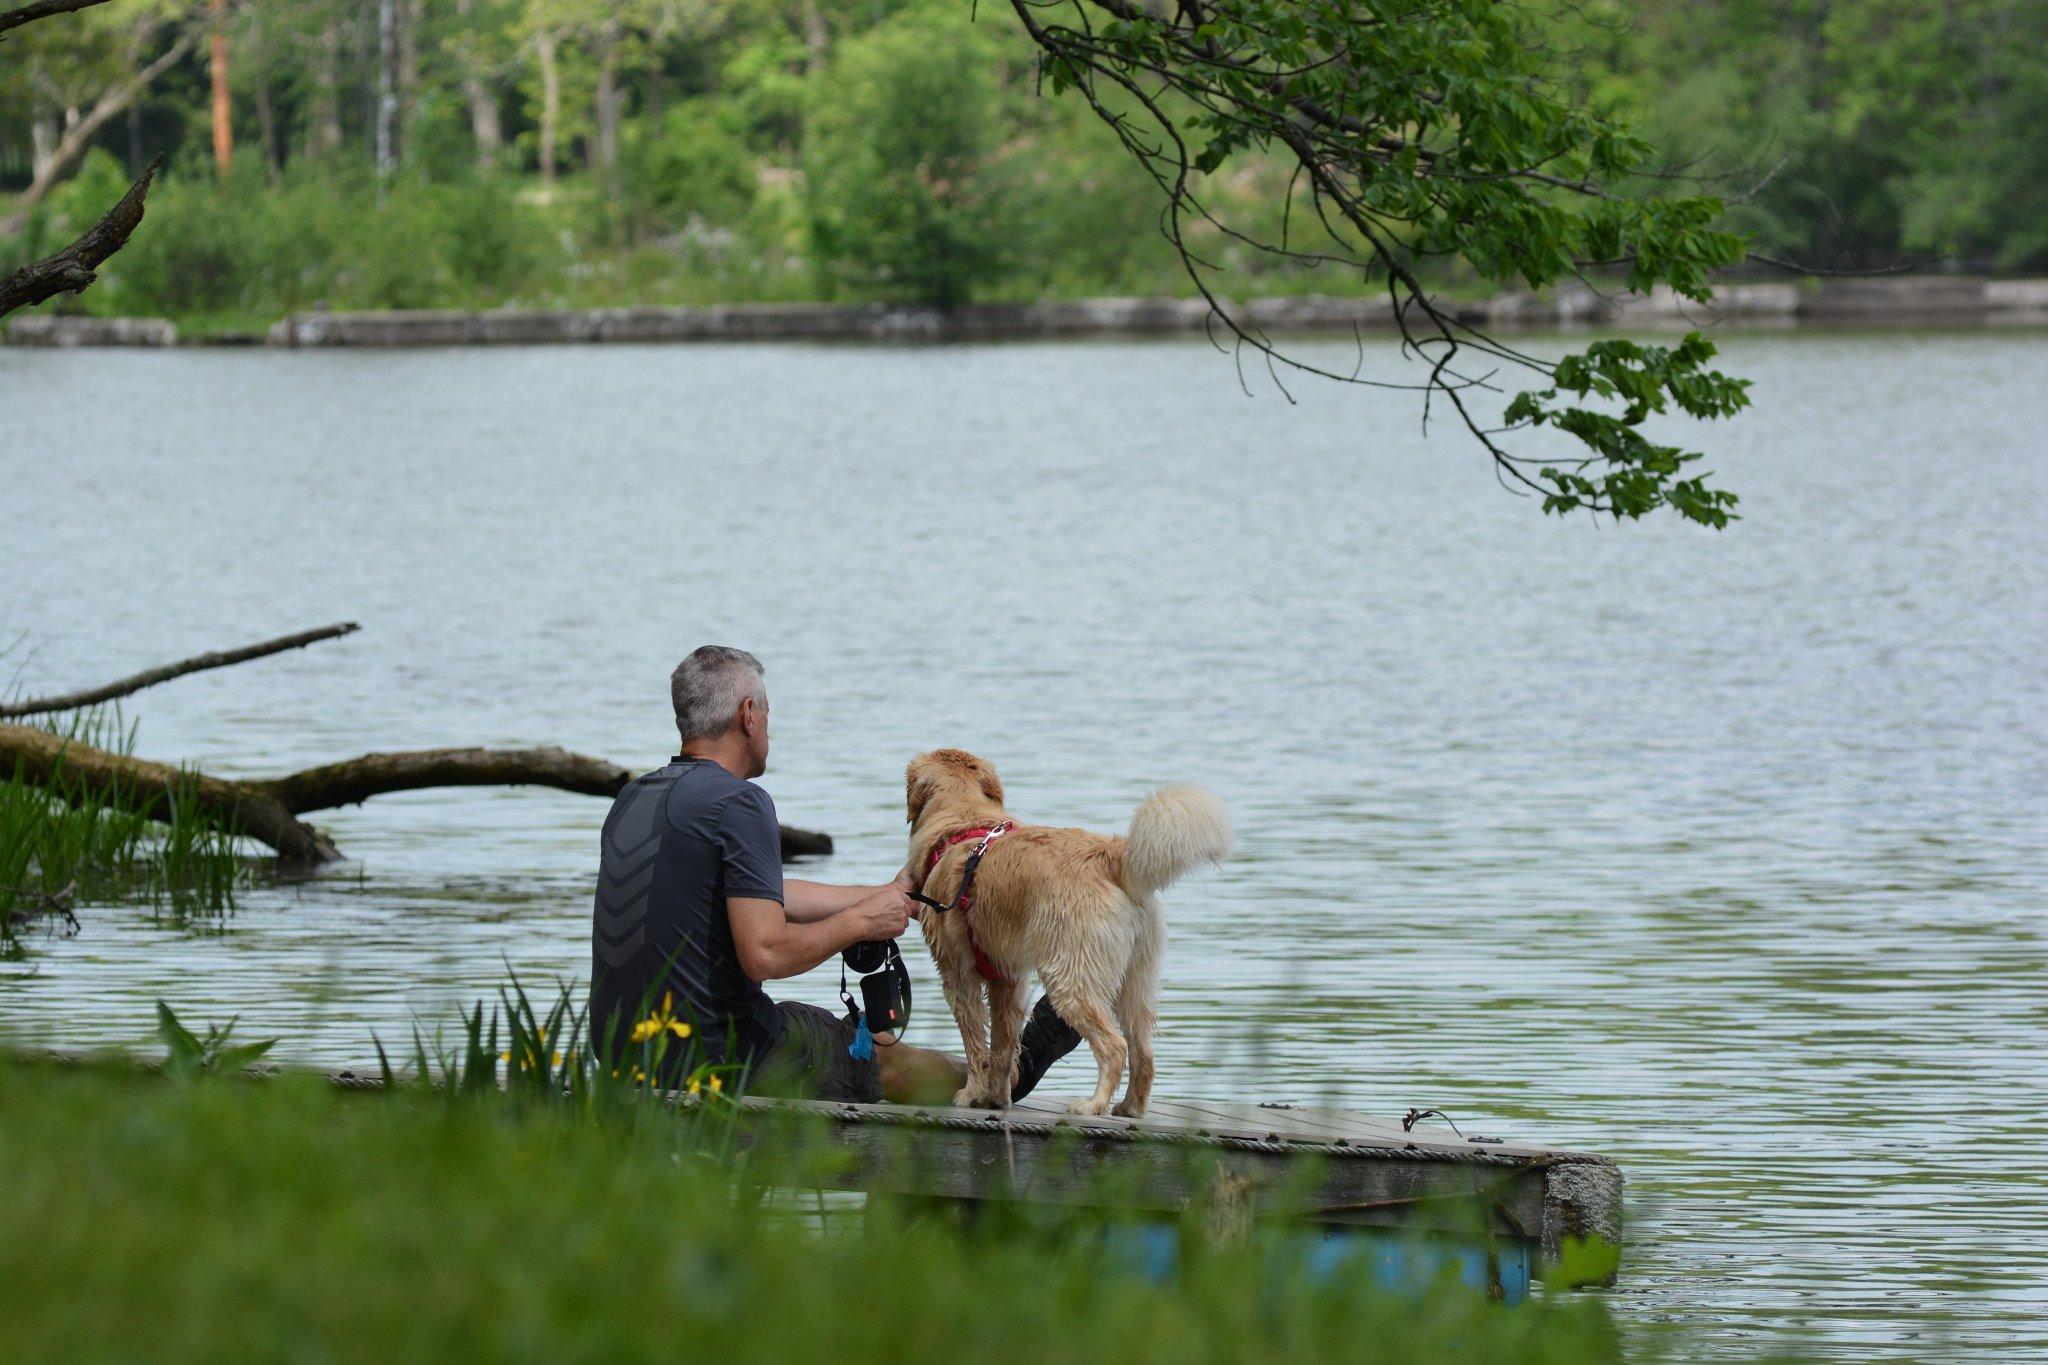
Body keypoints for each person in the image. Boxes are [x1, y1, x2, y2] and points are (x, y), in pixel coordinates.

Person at [590, 645, 1078, 1104]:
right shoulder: (739, 802)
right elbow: (765, 953)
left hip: (623, 1052)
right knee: (886, 1058)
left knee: (840, 1031)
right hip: (727, 1057)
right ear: (747, 714)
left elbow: (761, 894)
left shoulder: (635, 798)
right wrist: (863, 924)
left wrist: (884, 895)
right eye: (767, 711)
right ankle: (1013, 1072)